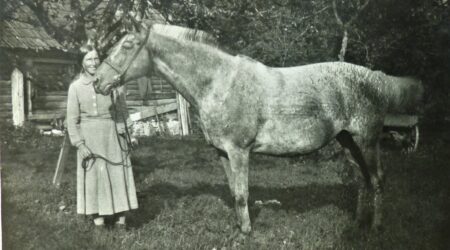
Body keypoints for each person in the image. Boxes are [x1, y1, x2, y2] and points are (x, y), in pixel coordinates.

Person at [66, 43, 138, 228]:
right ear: (82, 62)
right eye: (89, 59)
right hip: (89, 138)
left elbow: (122, 110)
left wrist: (128, 132)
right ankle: (98, 222)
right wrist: (80, 145)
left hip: (112, 134)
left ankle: (121, 220)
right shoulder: (75, 87)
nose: (93, 62)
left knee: (117, 174)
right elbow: (71, 120)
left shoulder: (113, 83)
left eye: (96, 58)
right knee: (93, 178)